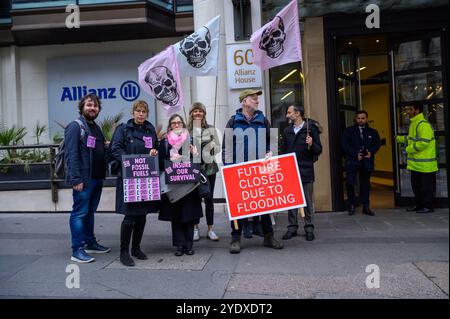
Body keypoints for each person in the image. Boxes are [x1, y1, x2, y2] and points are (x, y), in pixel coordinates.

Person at [222, 88, 284, 254]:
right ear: (244, 101)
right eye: (253, 98)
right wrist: (229, 170)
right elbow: (226, 148)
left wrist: (272, 152)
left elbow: (273, 141)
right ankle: (235, 238)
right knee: (239, 206)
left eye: (257, 99)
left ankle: (268, 236)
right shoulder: (233, 121)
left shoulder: (263, 120)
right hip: (239, 171)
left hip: (260, 170)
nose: (257, 101)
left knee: (264, 204)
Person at [111, 100, 159, 267]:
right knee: (130, 216)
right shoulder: (123, 129)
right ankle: (124, 252)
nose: (140, 114)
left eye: (143, 111)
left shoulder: (150, 129)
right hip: (128, 177)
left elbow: (154, 149)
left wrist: (153, 151)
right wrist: (130, 162)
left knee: (142, 215)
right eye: (138, 111)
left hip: (145, 178)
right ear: (133, 113)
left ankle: (136, 248)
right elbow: (115, 149)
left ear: (147, 114)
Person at [65, 93, 110, 263]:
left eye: (95, 106)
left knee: (90, 212)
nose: (92, 108)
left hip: (96, 178)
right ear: (82, 107)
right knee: (79, 213)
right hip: (83, 179)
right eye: (89, 105)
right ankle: (77, 250)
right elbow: (72, 154)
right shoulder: (76, 126)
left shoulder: (95, 127)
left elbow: (95, 150)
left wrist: (106, 147)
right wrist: (76, 179)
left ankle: (90, 242)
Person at [158, 114, 203, 256]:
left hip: (189, 185)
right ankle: (179, 245)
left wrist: (195, 155)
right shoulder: (164, 143)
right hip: (173, 185)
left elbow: (200, 162)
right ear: (170, 126)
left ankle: (189, 245)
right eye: (174, 123)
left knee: (189, 215)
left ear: (183, 124)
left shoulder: (191, 140)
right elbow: (160, 162)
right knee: (176, 216)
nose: (177, 125)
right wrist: (170, 160)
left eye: (179, 122)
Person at [281, 104, 322, 241]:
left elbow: (319, 150)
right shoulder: (287, 130)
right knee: (292, 201)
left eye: (289, 112)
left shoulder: (310, 129)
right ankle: (292, 227)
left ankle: (309, 227)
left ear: (297, 113)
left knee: (307, 201)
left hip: (306, 169)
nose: (287, 115)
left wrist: (312, 143)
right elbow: (283, 150)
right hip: (290, 170)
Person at [395, 104, 438, 214]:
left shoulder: (423, 125)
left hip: (426, 166)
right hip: (416, 165)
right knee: (416, 187)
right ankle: (419, 205)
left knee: (426, 188)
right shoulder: (414, 124)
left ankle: (428, 206)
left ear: (417, 110)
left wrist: (407, 149)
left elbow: (423, 143)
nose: (408, 111)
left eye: (410, 109)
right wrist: (399, 138)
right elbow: (411, 138)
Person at [187, 102, 221, 242]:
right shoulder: (186, 131)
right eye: (195, 111)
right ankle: (195, 228)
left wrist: (213, 146)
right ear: (191, 114)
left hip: (209, 169)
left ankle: (210, 229)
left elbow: (218, 148)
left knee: (209, 199)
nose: (198, 113)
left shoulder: (211, 129)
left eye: (200, 111)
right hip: (194, 169)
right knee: (195, 200)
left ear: (204, 113)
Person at [341, 110, 381, 216]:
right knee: (350, 183)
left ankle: (366, 207)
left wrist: (370, 152)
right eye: (358, 118)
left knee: (365, 185)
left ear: (366, 119)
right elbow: (345, 145)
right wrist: (355, 154)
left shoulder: (373, 131)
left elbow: (377, 144)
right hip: (352, 161)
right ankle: (351, 205)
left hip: (367, 162)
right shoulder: (348, 131)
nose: (361, 120)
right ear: (355, 119)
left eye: (363, 118)